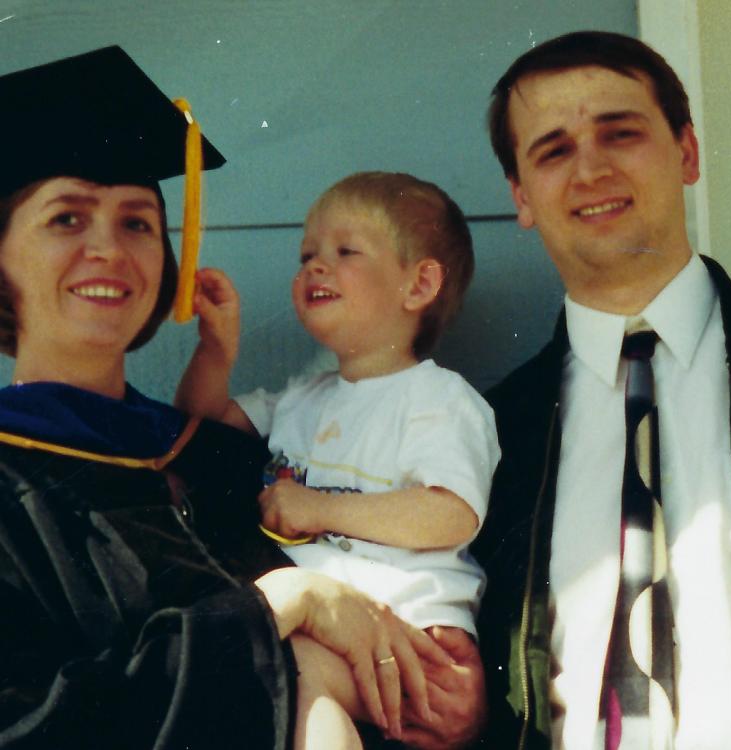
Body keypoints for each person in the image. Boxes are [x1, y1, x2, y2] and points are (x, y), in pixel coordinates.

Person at [0, 47, 465, 750]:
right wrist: (278, 605)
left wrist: (433, 678)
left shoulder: (221, 456)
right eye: (67, 219)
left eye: (138, 223)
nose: (111, 249)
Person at [472, 30, 731, 749]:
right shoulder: (489, 432)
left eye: (619, 133)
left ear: (686, 154)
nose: (590, 169)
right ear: (522, 197)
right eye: (554, 151)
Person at [175, 171, 501, 749]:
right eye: (307, 255)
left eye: (345, 251)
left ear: (419, 284)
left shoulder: (439, 400)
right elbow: (200, 432)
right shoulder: (303, 397)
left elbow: (448, 514)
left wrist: (318, 508)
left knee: (296, 682)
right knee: (283, 679)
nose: (315, 267)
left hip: (412, 632)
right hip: (330, 624)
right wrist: (216, 350)